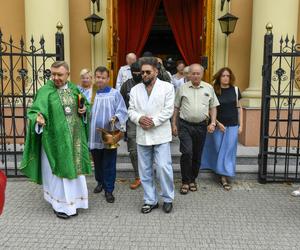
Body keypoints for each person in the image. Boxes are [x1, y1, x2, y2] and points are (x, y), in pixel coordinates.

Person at [20, 61, 91, 219]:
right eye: (53, 74)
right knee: (57, 175)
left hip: (74, 140)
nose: (56, 78)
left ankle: (75, 202)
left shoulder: (74, 89)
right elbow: (34, 112)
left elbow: (86, 106)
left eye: (59, 74)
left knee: (75, 172)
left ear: (68, 75)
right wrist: (37, 119)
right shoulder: (45, 91)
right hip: (54, 141)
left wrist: (84, 110)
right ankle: (59, 205)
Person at [128, 57, 175, 214]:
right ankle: (150, 200)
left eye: (148, 72)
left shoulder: (167, 87)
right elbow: (131, 110)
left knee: (163, 167)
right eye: (142, 72)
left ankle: (168, 198)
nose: (145, 75)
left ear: (156, 71)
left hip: (160, 133)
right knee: (145, 170)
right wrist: (139, 118)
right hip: (142, 133)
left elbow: (169, 110)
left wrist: (153, 122)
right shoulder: (135, 90)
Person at [172, 64, 219, 195]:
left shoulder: (209, 88)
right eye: (193, 73)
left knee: (197, 154)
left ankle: (193, 179)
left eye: (198, 73)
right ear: (189, 74)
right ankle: (185, 181)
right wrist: (174, 124)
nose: (196, 76)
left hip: (201, 126)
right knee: (187, 152)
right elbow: (176, 107)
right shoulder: (182, 88)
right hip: (185, 125)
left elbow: (213, 107)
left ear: (202, 74)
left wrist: (213, 123)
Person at [89, 66, 128, 203]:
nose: (100, 80)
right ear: (94, 78)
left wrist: (116, 118)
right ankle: (100, 182)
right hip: (93, 135)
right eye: (98, 77)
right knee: (97, 161)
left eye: (103, 77)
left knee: (109, 162)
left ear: (108, 78)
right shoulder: (90, 93)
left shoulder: (114, 93)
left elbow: (122, 110)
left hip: (109, 134)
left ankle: (109, 189)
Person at [201, 67, 243, 191]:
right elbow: (209, 109)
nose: (226, 78)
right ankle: (219, 170)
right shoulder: (213, 90)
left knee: (229, 150)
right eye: (223, 76)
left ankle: (224, 177)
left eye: (228, 76)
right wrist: (217, 123)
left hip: (233, 125)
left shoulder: (235, 90)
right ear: (219, 77)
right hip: (218, 126)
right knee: (218, 148)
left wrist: (241, 125)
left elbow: (239, 109)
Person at [120, 62, 142, 190]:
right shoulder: (126, 85)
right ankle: (138, 176)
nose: (138, 74)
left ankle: (148, 175)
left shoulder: (149, 82)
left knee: (148, 149)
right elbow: (121, 104)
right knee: (133, 151)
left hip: (147, 120)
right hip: (132, 121)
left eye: (140, 72)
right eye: (135, 72)